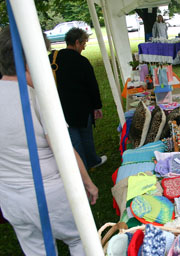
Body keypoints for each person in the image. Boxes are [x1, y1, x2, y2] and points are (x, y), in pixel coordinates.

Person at [0, 26, 98, 255]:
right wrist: (88, 183)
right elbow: (64, 151)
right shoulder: (37, 99)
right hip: (49, 193)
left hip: (10, 197)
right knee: (81, 239)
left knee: (38, 250)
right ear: (29, 61)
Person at [49, 28, 107, 170]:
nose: (84, 47)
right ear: (76, 42)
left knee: (74, 139)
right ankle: (86, 166)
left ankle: (87, 164)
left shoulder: (53, 58)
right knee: (84, 137)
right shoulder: (81, 61)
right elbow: (92, 86)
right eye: (83, 44)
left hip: (59, 106)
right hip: (81, 107)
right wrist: (97, 106)